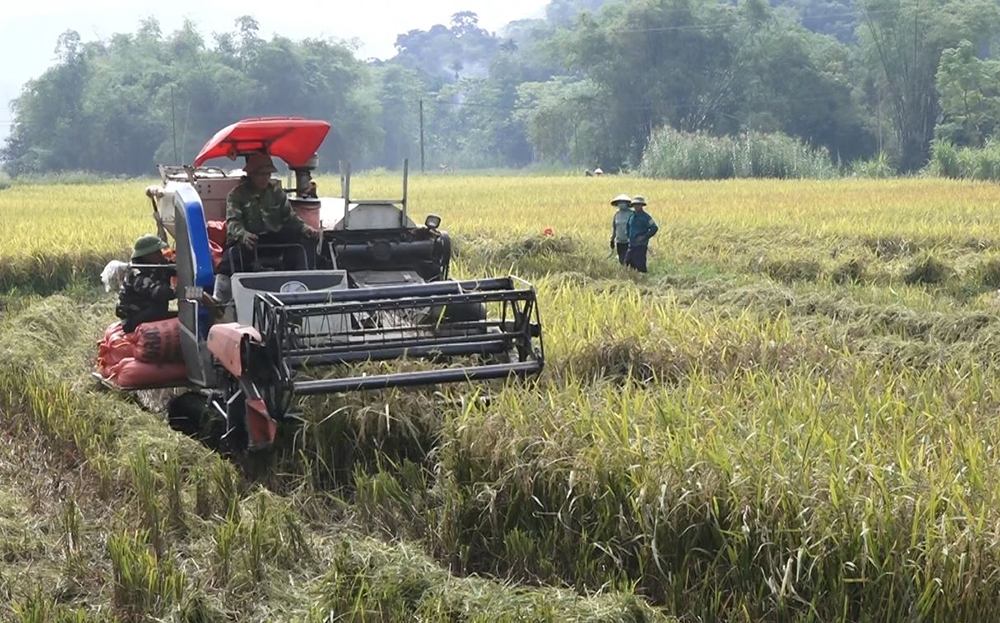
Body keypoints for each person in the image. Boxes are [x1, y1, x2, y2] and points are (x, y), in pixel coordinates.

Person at [220, 152, 321, 275]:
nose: (265, 178)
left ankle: (302, 276)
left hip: (273, 236)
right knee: (230, 261)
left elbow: (290, 217)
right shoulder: (236, 195)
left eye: (267, 174)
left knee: (302, 238)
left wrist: (304, 228)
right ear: (251, 174)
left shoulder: (276, 192)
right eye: (260, 174)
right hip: (249, 241)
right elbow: (233, 222)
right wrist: (243, 235)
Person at [116, 234, 177, 333]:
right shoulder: (136, 274)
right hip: (135, 319)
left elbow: (171, 268)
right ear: (147, 256)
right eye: (157, 252)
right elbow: (160, 292)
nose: (161, 254)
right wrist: (179, 291)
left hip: (150, 312)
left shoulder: (155, 266)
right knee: (183, 318)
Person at [624, 195, 658, 273]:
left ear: (642, 205)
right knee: (627, 263)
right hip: (631, 244)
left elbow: (654, 228)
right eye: (635, 204)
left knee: (640, 265)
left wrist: (644, 237)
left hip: (641, 245)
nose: (636, 206)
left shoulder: (646, 217)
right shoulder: (631, 216)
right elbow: (628, 226)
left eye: (638, 204)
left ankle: (643, 281)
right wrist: (628, 235)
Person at [608, 194, 633, 265]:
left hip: (629, 241)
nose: (621, 204)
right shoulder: (617, 215)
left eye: (623, 202)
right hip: (619, 241)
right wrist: (612, 239)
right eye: (620, 202)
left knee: (629, 260)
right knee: (621, 260)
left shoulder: (631, 214)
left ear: (627, 203)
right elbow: (614, 228)